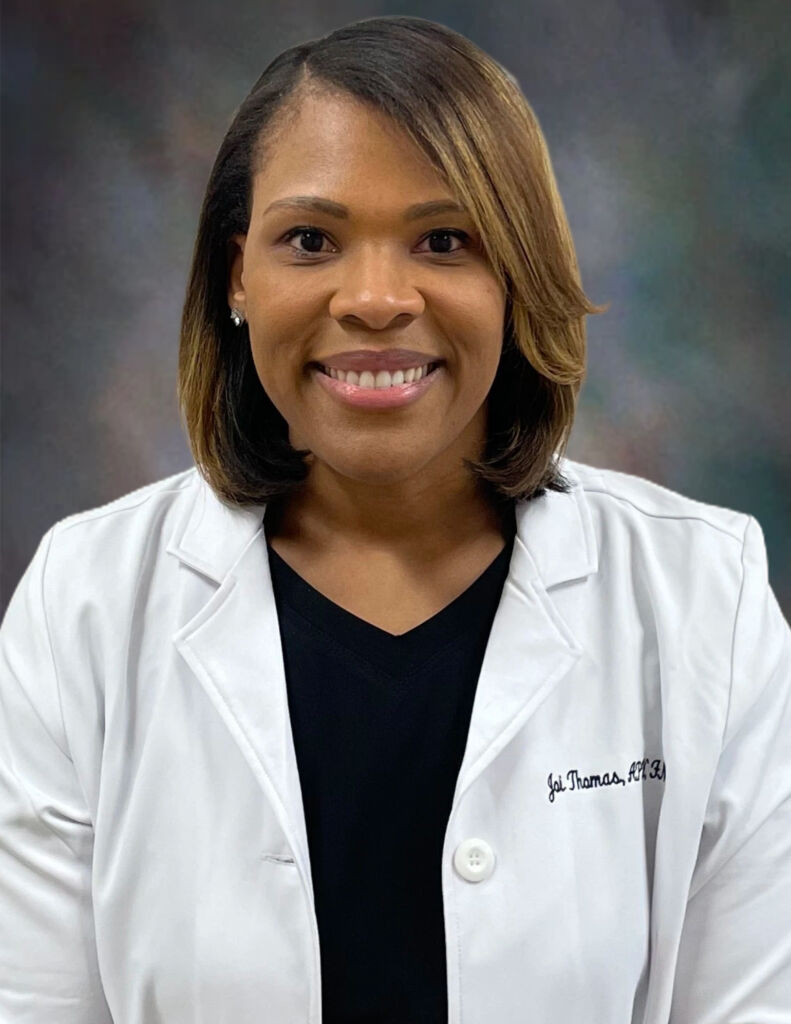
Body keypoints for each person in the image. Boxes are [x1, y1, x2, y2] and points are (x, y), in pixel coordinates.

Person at [1, 14, 789, 1024]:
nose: (374, 299)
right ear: (237, 275)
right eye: (310, 240)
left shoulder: (704, 599)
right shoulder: (84, 605)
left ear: (516, 272)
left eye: (443, 240)